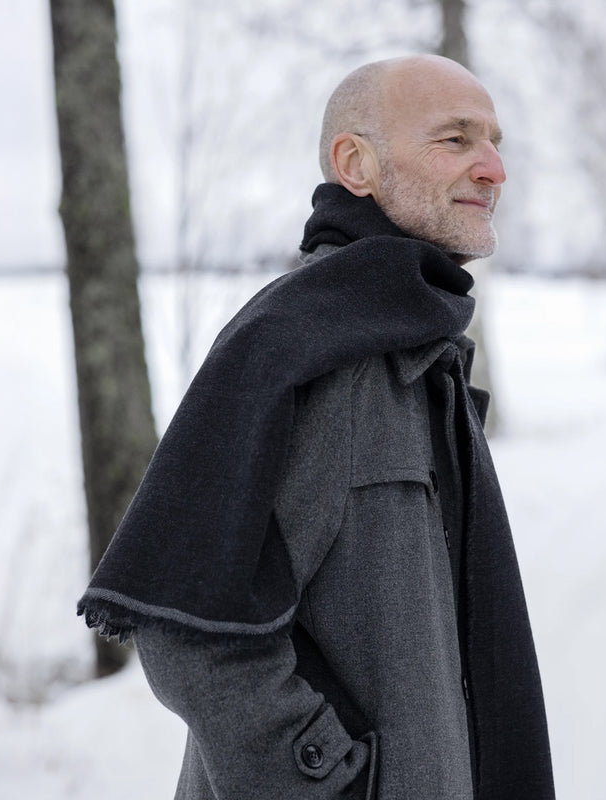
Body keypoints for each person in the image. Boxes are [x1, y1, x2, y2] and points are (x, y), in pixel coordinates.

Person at [78, 54, 555, 800]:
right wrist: (331, 785)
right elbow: (190, 632)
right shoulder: (304, 349)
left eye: (494, 143)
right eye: (456, 139)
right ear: (355, 164)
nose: (494, 168)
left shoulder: (410, 344)